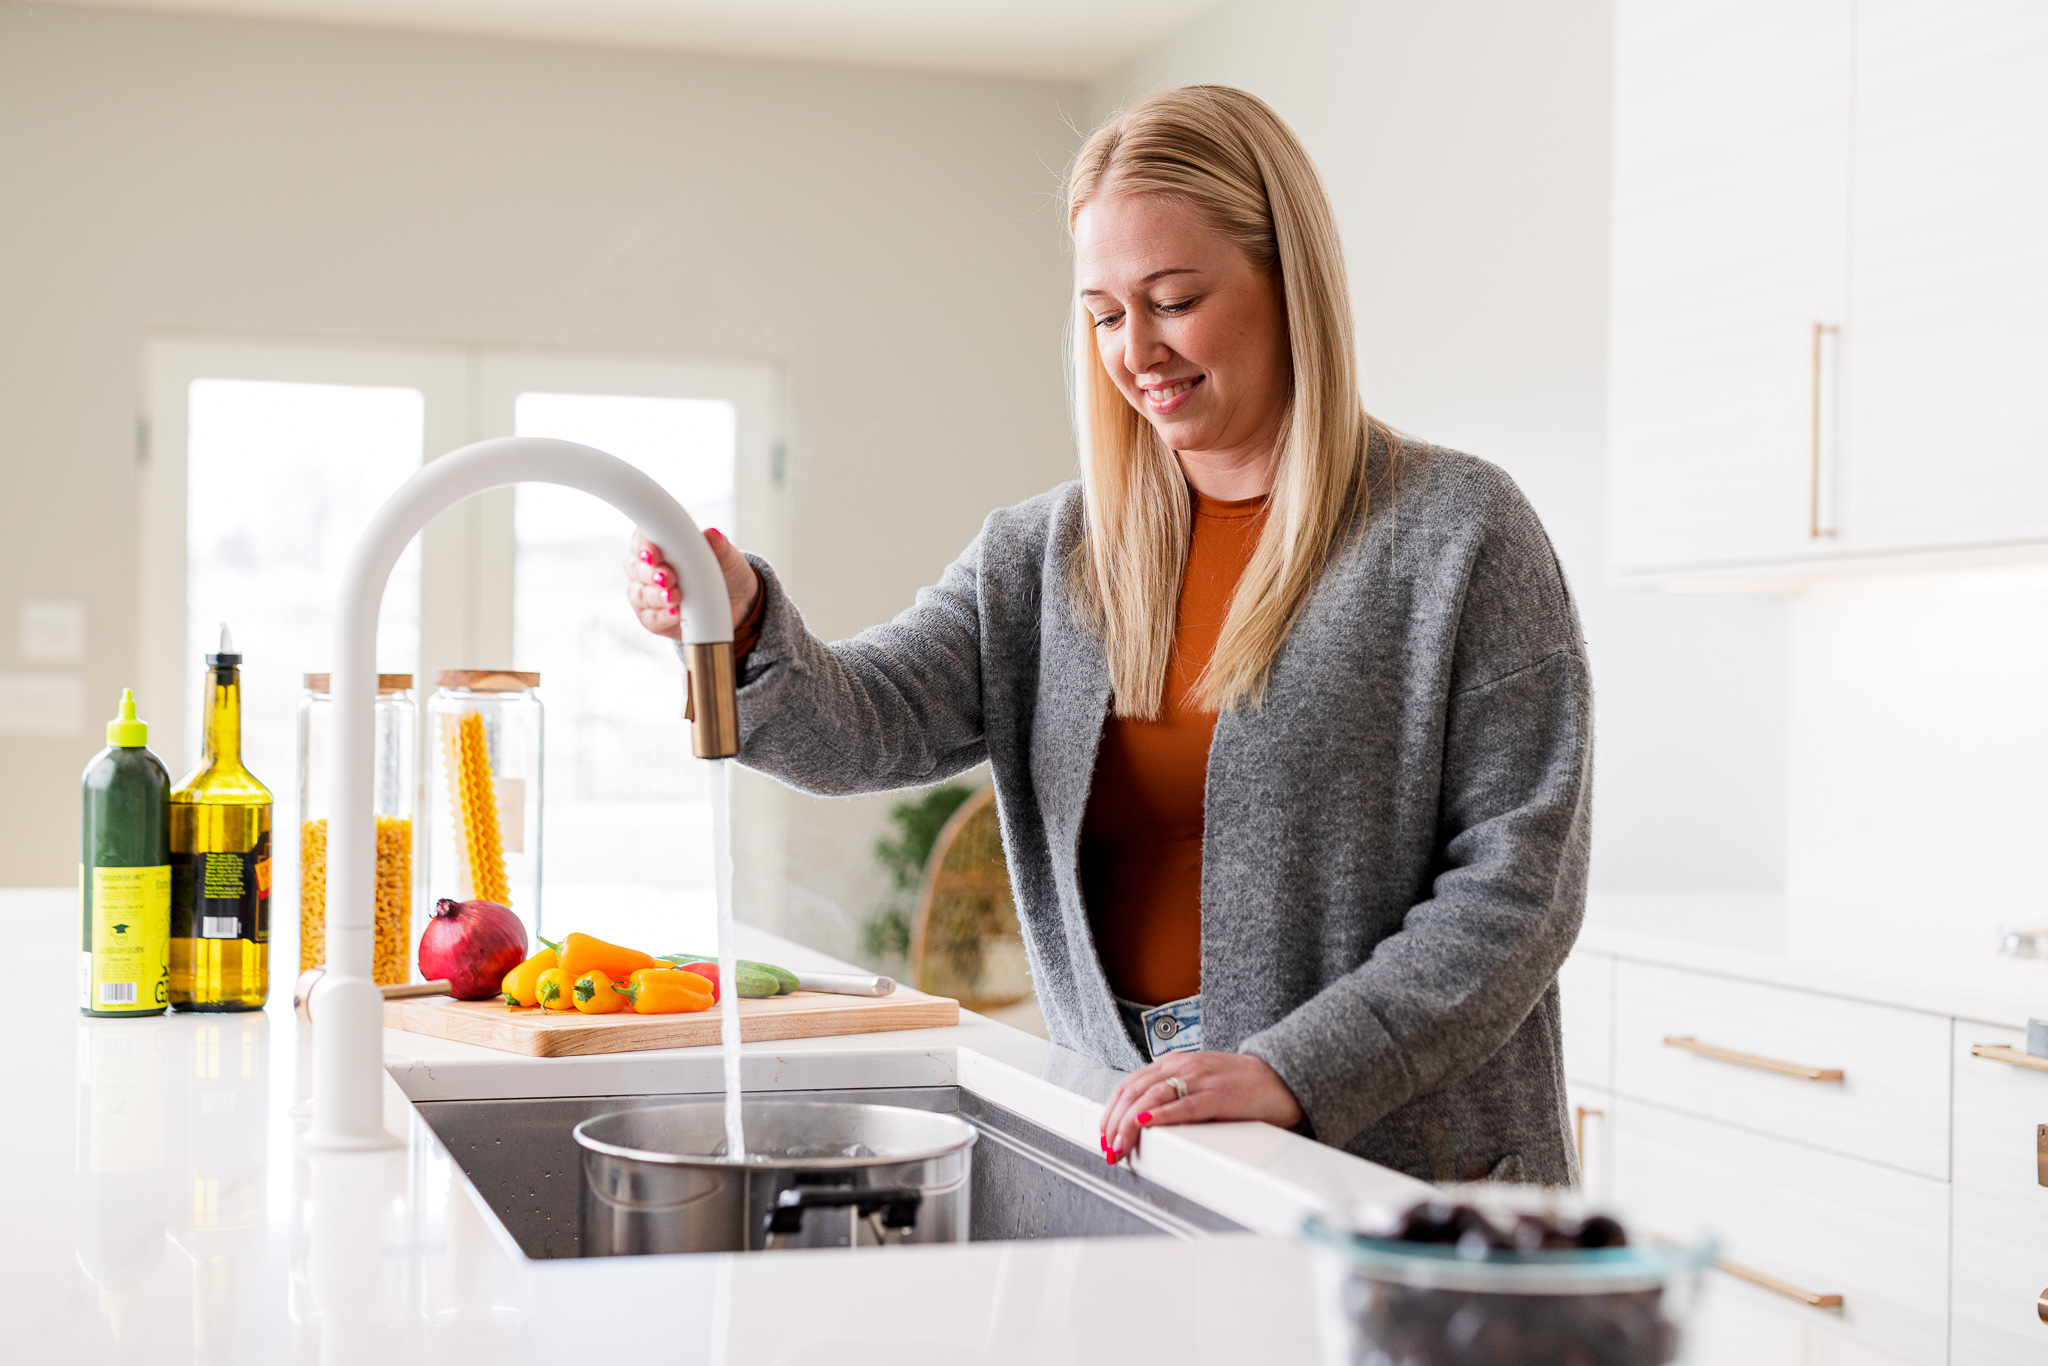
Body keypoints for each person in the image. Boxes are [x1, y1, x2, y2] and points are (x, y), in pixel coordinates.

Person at [624, 85, 1592, 1187]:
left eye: (1172, 300)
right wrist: (745, 614)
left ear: (1288, 284)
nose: (1134, 351)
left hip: (1397, 1161)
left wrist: (1295, 1069)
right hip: (1133, 1137)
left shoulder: (1457, 534)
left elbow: (1518, 890)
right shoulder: (1044, 557)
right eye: (1102, 313)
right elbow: (862, 727)